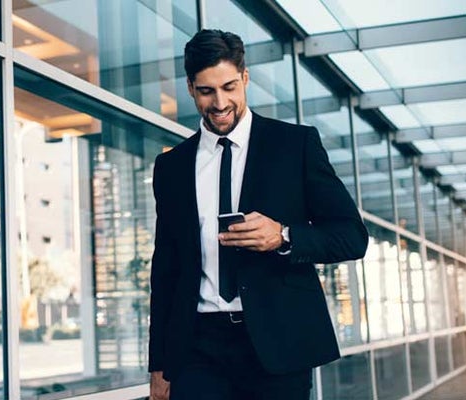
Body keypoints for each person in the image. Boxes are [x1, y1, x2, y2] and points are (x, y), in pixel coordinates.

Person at [148, 29, 368, 400]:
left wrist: (283, 236)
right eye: (206, 91)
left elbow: (352, 235)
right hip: (198, 347)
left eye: (230, 87)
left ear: (245, 78)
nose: (220, 103)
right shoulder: (171, 167)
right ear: (190, 87)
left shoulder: (295, 145)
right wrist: (159, 365)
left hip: (277, 344)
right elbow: (165, 270)